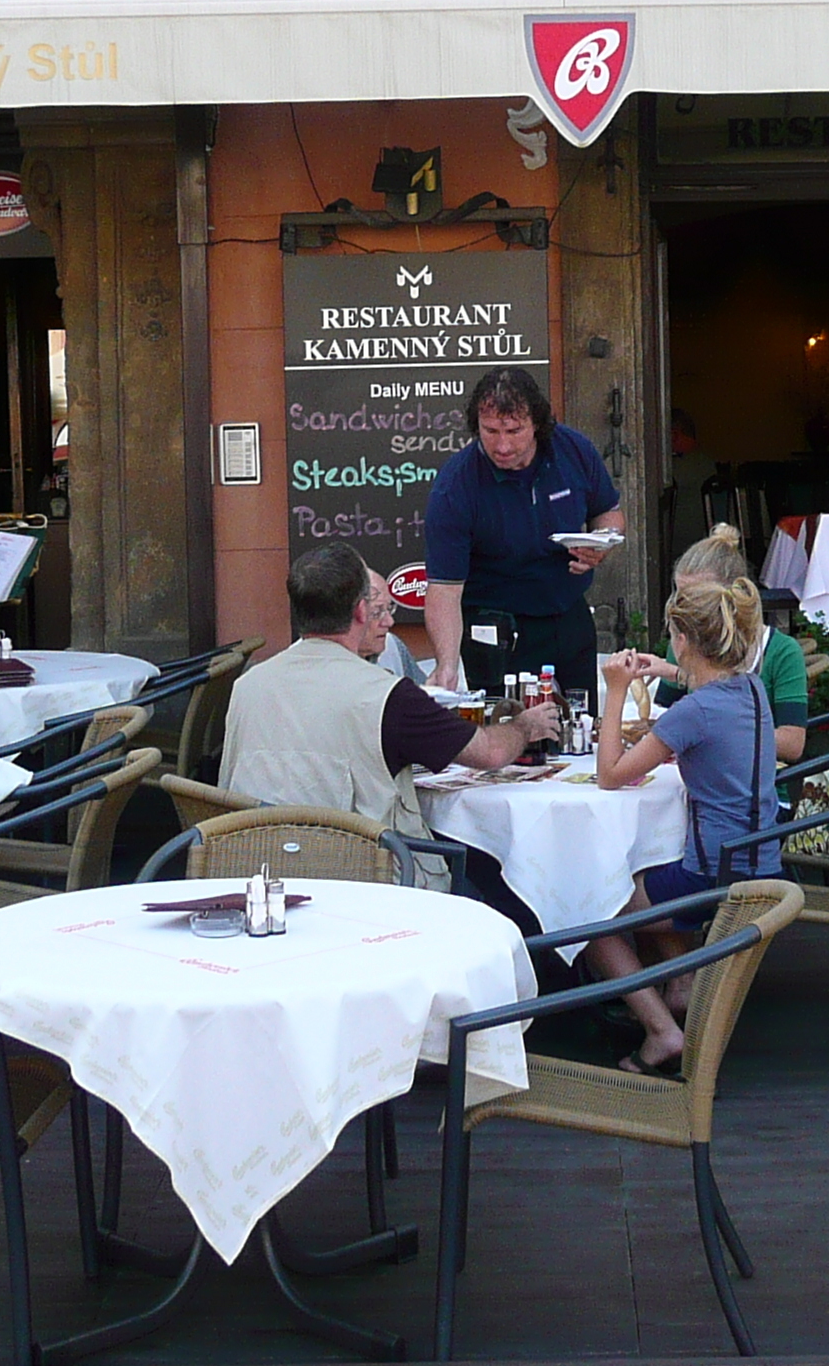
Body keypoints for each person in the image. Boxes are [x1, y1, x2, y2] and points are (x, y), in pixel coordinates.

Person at [220, 544, 563, 862]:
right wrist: (525, 725)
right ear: (360, 610)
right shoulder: (387, 695)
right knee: (494, 870)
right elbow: (488, 753)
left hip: (255, 873)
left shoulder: (246, 685)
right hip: (367, 881)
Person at [590, 573, 781, 1078]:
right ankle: (679, 989)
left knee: (589, 906)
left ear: (684, 637)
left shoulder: (692, 712)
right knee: (649, 864)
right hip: (760, 862)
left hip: (714, 878)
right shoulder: (752, 689)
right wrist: (669, 670)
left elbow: (611, 776)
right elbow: (706, 688)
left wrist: (615, 692)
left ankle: (660, 1032)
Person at [421, 365, 622, 695]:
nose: (501, 445)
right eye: (490, 431)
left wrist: (601, 544)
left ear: (537, 425)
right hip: (496, 624)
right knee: (507, 728)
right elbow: (444, 588)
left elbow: (609, 512)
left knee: (583, 722)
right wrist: (446, 665)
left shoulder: (573, 450)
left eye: (514, 431)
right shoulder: (455, 485)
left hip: (568, 609)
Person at [653, 525, 812, 764]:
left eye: (696, 597)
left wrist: (712, 730)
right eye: (679, 595)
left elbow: (792, 744)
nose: (682, 607)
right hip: (696, 781)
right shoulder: (684, 640)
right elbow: (664, 716)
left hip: (760, 791)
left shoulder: (781, 651)